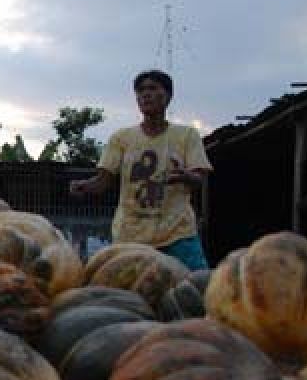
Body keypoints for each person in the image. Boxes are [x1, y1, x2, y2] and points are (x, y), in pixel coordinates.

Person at [69, 70, 213, 270]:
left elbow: (201, 179)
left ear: (168, 96)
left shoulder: (187, 135)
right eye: (140, 90)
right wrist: (83, 186)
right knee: (130, 294)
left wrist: (187, 176)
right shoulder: (121, 138)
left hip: (177, 233)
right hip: (130, 235)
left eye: (153, 88)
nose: (145, 94)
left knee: (197, 287)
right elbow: (103, 182)